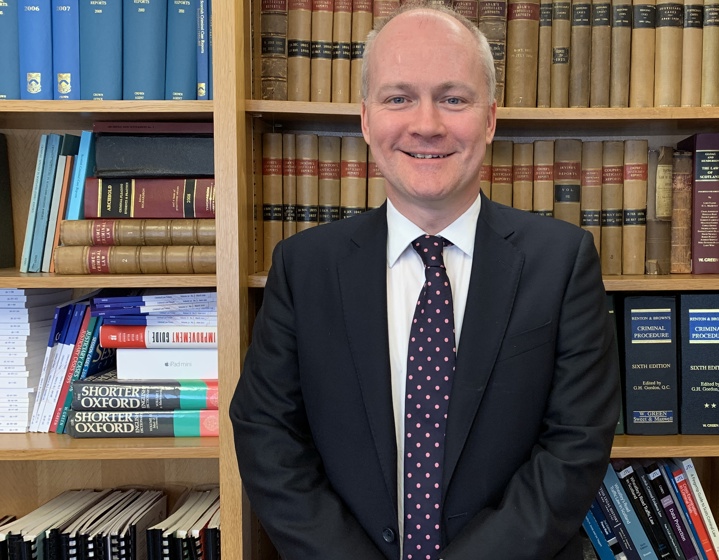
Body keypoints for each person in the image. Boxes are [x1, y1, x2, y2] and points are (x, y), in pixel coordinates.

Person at [229, 2, 620, 559]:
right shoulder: (303, 266)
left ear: (489, 118)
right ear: (366, 119)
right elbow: (266, 435)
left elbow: (576, 448)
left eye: (453, 98)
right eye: (399, 97)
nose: (427, 124)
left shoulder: (562, 262)